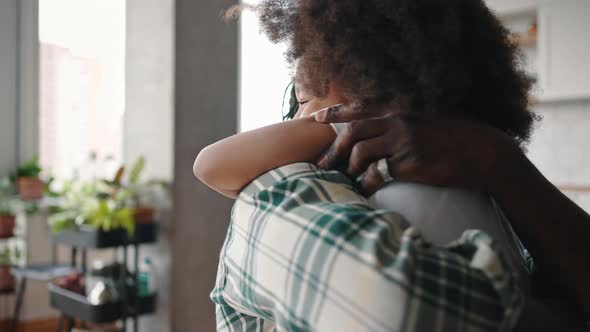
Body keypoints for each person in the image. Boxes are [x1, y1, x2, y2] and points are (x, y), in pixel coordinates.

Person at [194, 0, 589, 330]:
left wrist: (335, 128)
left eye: (300, 98)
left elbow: (210, 164)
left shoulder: (293, 181)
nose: (291, 119)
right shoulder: (494, 201)